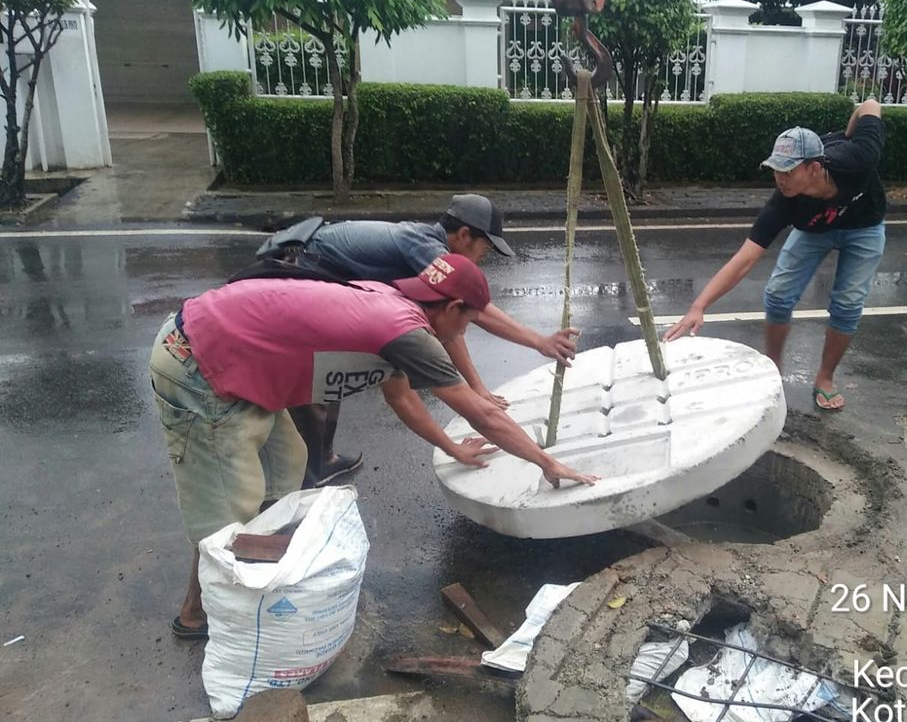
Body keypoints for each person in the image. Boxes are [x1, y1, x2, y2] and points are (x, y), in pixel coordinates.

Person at [150, 254, 599, 640]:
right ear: (455, 307)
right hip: (200, 363)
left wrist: (452, 447)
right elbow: (484, 413)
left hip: (238, 361)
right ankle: (198, 615)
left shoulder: (396, 311)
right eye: (469, 321)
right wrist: (546, 462)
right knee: (230, 508)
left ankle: (261, 578)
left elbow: (400, 395)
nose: (465, 332)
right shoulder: (407, 332)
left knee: (288, 467)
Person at [255, 195, 579, 488]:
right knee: (315, 379)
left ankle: (318, 461)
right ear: (464, 235)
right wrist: (537, 343)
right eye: (485, 247)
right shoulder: (428, 254)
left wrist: (472, 397)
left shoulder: (410, 295)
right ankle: (306, 478)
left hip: (322, 284)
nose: (483, 257)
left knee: (333, 374)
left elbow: (444, 336)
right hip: (299, 278)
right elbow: (469, 316)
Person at [665, 100, 886, 411]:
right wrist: (698, 306)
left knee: (848, 303)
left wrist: (849, 136)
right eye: (775, 170)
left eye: (788, 170)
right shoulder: (784, 201)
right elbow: (744, 260)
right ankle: (773, 369)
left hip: (864, 226)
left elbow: (870, 104)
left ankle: (824, 378)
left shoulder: (858, 157)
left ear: (813, 167)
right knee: (778, 295)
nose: (780, 178)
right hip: (813, 229)